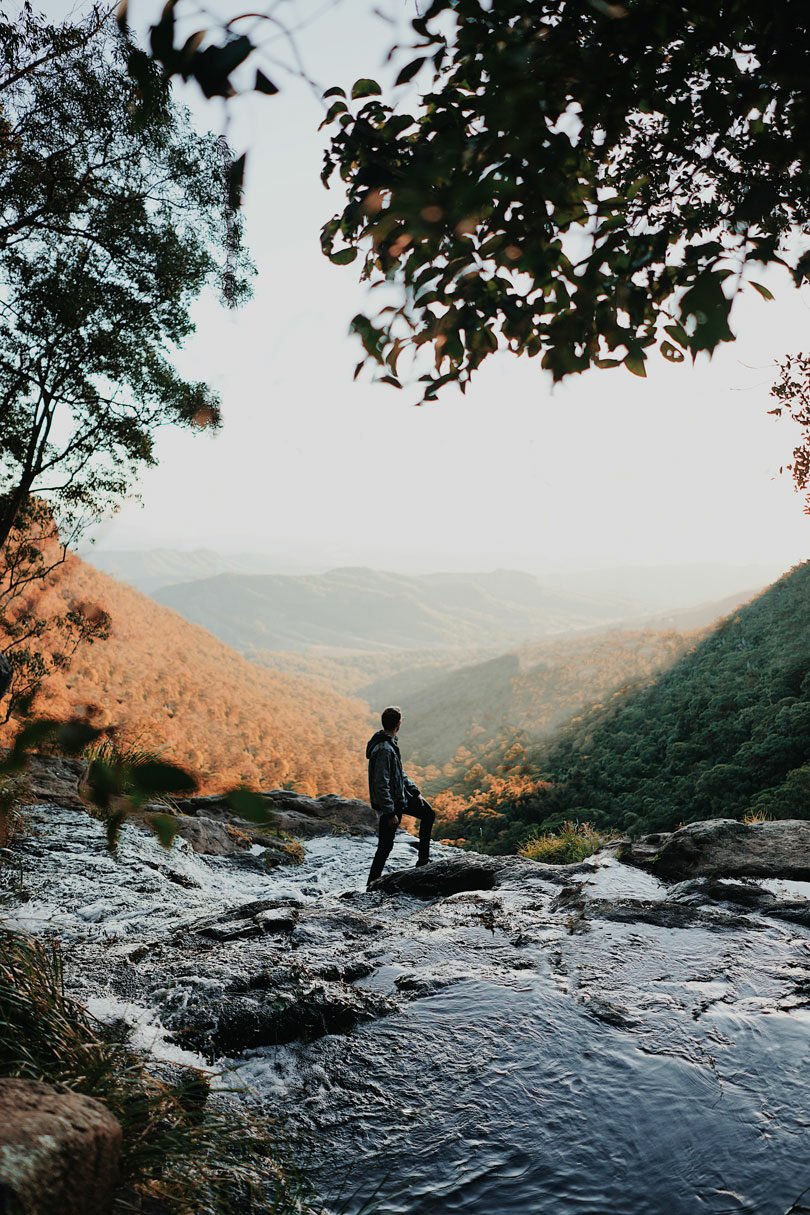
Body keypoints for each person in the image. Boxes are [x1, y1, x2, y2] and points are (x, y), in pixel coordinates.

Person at [366, 705, 434, 886]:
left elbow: (399, 774)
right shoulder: (384, 749)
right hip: (392, 804)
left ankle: (423, 862)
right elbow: (381, 784)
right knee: (385, 847)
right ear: (399, 724)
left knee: (428, 813)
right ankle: (371, 885)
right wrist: (389, 813)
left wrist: (415, 791)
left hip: (401, 797)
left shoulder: (390, 743)